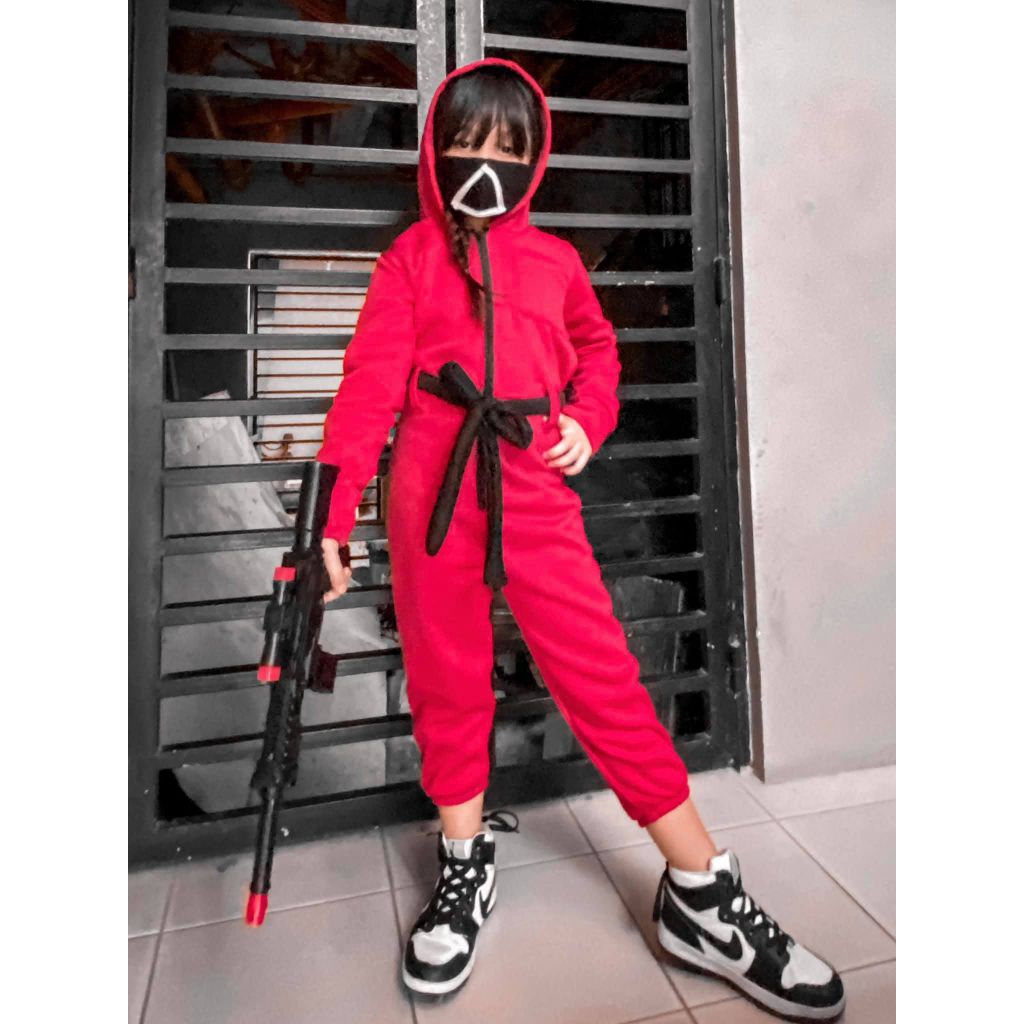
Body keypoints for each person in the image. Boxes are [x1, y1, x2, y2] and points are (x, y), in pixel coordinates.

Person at [315, 57, 845, 1022]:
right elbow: (366, 390)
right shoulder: (411, 261)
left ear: (535, 159)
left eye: (505, 148)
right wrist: (333, 511)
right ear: (436, 152)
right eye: (465, 143)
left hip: (533, 487)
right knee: (446, 677)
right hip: (434, 491)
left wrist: (588, 421)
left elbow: (600, 353)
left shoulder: (556, 264)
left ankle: (701, 892)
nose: (484, 164)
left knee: (600, 677)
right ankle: (464, 859)